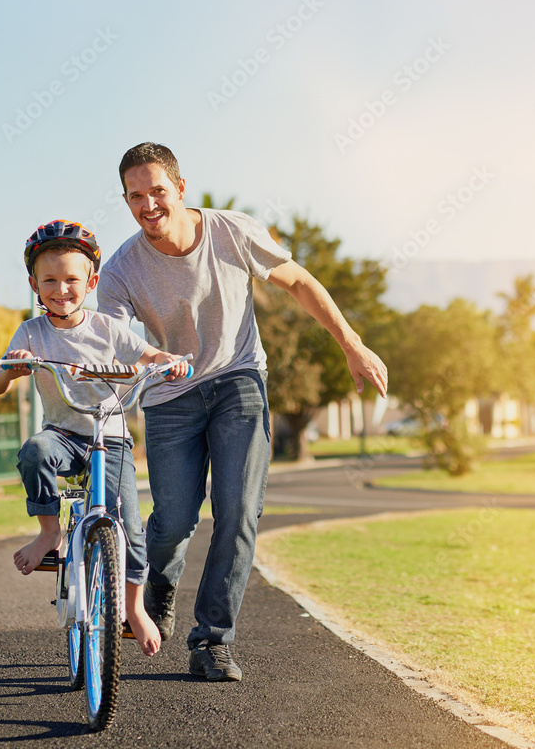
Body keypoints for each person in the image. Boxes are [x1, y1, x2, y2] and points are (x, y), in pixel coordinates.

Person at [97, 143, 388, 682]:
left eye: (157, 191)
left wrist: (351, 343)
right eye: (135, 197)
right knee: (174, 522)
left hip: (238, 381)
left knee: (238, 510)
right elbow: (112, 339)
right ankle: (158, 590)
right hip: (168, 396)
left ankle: (212, 640)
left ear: (180, 189)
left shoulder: (232, 231)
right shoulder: (120, 270)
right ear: (126, 200)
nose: (148, 205)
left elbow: (298, 280)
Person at [0, 219, 190, 657]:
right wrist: (13, 367)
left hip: (109, 438)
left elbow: (148, 354)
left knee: (131, 530)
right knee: (34, 451)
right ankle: (48, 532)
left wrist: (166, 359)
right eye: (50, 280)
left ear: (92, 282)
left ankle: (133, 609)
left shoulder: (107, 329)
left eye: (72, 280)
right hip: (62, 434)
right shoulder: (31, 333)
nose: (61, 289)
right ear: (34, 285)